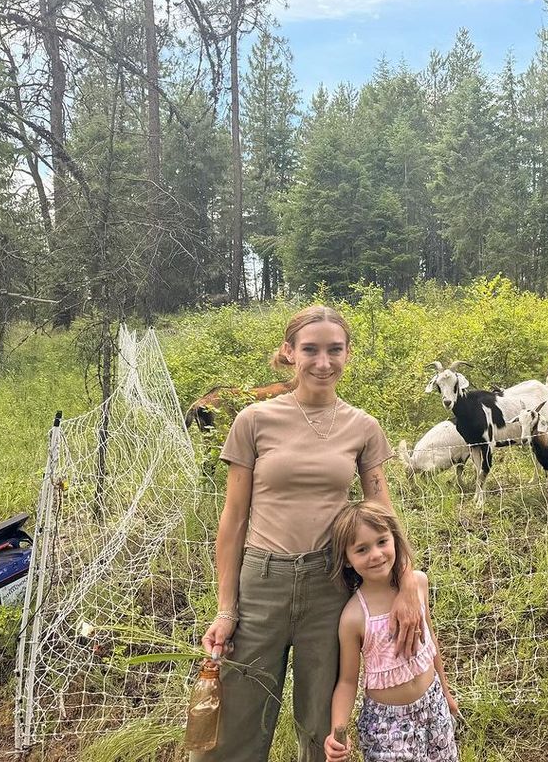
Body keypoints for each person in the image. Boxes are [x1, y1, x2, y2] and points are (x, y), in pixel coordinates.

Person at [196, 304, 423, 762]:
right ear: (289, 353)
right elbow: (234, 519)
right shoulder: (254, 421)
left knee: (323, 727)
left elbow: (381, 511)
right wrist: (226, 609)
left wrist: (405, 584)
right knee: (237, 722)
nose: (324, 362)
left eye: (334, 350)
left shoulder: (363, 427)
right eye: (311, 350)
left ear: (347, 354)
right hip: (261, 584)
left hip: (331, 587)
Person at [324, 500, 459, 762]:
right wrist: (336, 730)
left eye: (382, 542)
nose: (375, 554)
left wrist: (445, 691)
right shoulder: (354, 616)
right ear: (348, 560)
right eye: (362, 549)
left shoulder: (418, 584)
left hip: (433, 705)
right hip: (388, 724)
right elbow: (348, 681)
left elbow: (431, 645)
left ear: (395, 540)